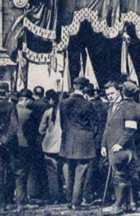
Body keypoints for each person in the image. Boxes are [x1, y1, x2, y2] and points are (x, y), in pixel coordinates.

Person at [101, 81, 140, 214]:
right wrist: (103, 145)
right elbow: (107, 127)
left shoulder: (127, 107)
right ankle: (130, 203)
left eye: (112, 93)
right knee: (124, 175)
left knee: (121, 176)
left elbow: (131, 129)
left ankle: (119, 205)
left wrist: (121, 144)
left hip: (125, 148)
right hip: (112, 147)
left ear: (120, 92)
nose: (110, 96)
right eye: (107, 94)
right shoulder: (112, 107)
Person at [59, 77, 98, 210]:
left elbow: (62, 123)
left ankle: (69, 200)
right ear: (85, 88)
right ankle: (76, 201)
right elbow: (95, 125)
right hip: (84, 141)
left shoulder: (63, 103)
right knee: (81, 172)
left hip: (68, 139)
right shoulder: (88, 104)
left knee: (68, 172)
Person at [39, 90, 65, 204]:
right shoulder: (65, 112)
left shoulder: (48, 112)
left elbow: (41, 130)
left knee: (52, 174)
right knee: (64, 172)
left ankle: (55, 197)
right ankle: (68, 195)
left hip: (49, 146)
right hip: (63, 145)